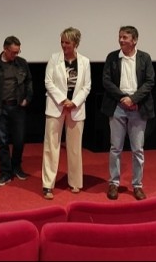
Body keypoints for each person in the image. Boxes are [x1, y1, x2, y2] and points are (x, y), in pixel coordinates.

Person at [101, 25, 155, 201]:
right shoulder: (112, 57)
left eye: (125, 37)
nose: (121, 40)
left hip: (138, 107)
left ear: (134, 40)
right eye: (120, 37)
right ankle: (114, 183)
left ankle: (137, 185)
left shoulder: (145, 58)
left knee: (137, 149)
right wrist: (123, 98)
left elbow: (150, 82)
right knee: (115, 148)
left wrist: (133, 99)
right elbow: (106, 81)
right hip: (117, 106)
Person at [41, 27, 91, 200]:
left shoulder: (85, 61)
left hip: (76, 109)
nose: (63, 45)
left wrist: (74, 102)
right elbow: (48, 82)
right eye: (62, 42)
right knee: (51, 147)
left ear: (75, 43)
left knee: (75, 148)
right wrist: (63, 100)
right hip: (56, 107)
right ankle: (48, 185)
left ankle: (75, 182)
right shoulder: (54, 59)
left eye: (67, 42)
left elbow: (87, 86)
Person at [0, 35, 34, 186]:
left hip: (18, 107)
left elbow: (29, 81)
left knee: (19, 140)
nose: (15, 55)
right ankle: (5, 172)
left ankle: (16, 167)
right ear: (5, 49)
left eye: (18, 52)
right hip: (0, 108)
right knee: (2, 142)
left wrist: (28, 98)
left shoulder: (22, 63)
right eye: (13, 52)